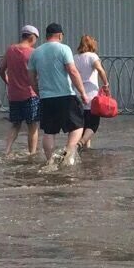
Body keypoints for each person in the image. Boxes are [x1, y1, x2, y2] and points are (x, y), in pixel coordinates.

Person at [27, 23, 88, 166]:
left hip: (46, 98)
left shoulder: (35, 52)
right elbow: (72, 71)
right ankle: (69, 152)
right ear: (60, 35)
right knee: (77, 126)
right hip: (65, 95)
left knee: (49, 132)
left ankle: (50, 162)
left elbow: (30, 77)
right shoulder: (63, 48)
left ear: (47, 36)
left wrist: (39, 92)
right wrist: (83, 92)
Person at [0, 24, 40, 157]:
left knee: (15, 124)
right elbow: (37, 74)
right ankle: (32, 153)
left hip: (14, 95)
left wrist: (9, 83)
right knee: (32, 126)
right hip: (30, 94)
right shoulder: (33, 53)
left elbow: (1, 70)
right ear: (32, 37)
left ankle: (7, 151)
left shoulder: (10, 50)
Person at [73, 35, 110, 150]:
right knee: (93, 124)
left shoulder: (75, 57)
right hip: (92, 94)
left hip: (78, 93)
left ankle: (86, 149)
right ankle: (81, 142)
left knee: (83, 124)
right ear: (92, 45)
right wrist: (106, 84)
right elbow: (100, 69)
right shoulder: (92, 56)